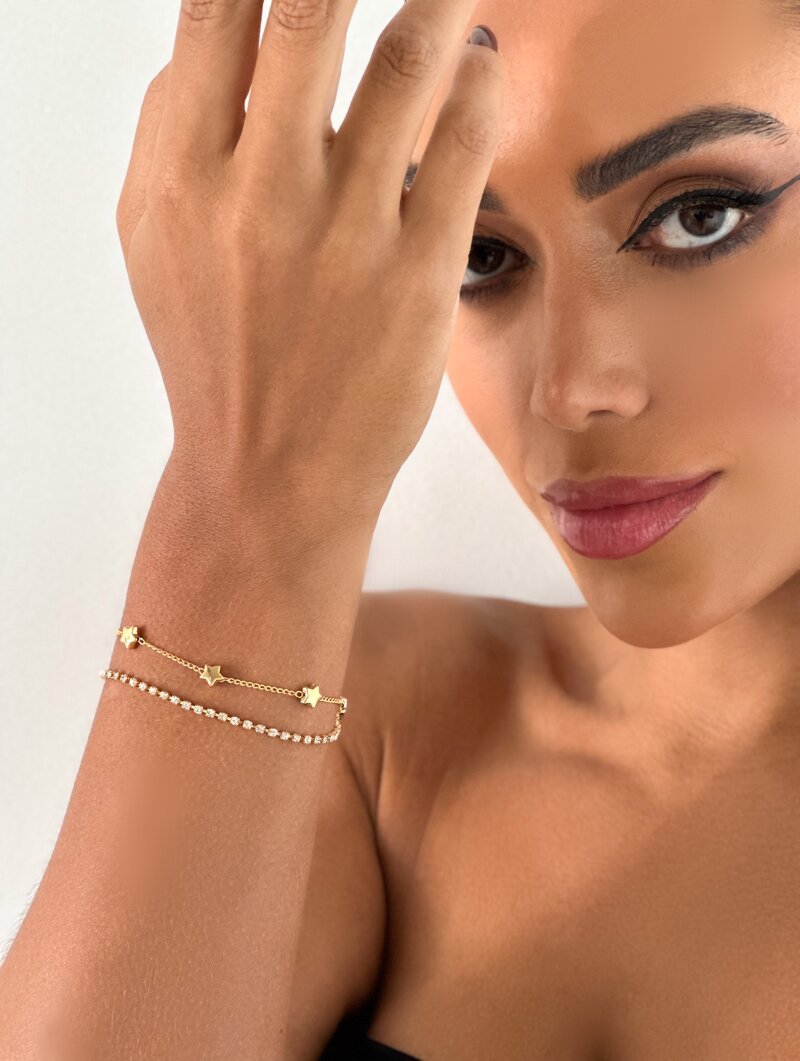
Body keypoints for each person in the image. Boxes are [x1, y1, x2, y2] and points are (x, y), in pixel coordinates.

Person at [2, 0, 800, 1058]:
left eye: (700, 217)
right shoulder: (357, 719)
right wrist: (249, 492)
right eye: (479, 254)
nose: (569, 391)